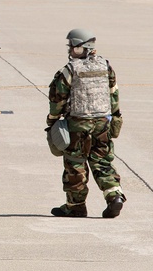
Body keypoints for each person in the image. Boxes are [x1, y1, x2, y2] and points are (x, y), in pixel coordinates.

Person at [46, 29, 125, 218]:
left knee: (75, 165)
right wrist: (114, 116)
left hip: (77, 125)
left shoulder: (70, 69)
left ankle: (75, 206)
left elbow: (57, 97)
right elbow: (113, 93)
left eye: (74, 47)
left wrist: (52, 119)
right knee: (103, 161)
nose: (71, 50)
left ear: (85, 48)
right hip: (102, 124)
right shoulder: (106, 66)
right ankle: (114, 195)